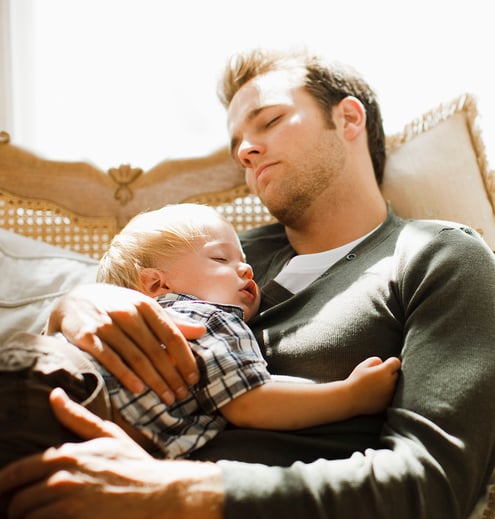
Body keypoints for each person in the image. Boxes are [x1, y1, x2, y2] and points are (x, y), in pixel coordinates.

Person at [1, 47, 495, 519]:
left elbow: (433, 485)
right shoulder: (220, 253)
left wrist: (181, 494)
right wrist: (76, 303)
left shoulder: (437, 255)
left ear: (348, 119)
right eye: (238, 141)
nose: (246, 149)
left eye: (270, 120)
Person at [0, 202, 399, 464]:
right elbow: (250, 402)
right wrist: (349, 396)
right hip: (66, 392)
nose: (246, 270)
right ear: (157, 286)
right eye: (221, 258)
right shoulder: (207, 317)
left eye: (244, 261)